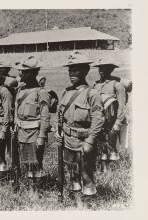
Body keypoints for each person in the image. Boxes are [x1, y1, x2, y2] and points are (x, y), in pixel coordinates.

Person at [56, 51, 104, 204]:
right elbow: (60, 116)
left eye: (76, 70)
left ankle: (89, 204)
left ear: (85, 71)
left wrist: (90, 141)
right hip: (68, 140)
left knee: (86, 174)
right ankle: (77, 202)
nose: (72, 73)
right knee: (72, 172)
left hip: (84, 141)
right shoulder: (66, 92)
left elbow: (98, 119)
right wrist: (59, 133)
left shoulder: (92, 94)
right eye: (70, 70)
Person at [14, 56, 51, 191]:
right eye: (21, 71)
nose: (21, 74)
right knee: (27, 163)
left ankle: (37, 191)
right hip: (22, 133)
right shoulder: (20, 90)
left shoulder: (41, 93)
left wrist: (41, 137)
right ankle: (31, 189)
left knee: (36, 163)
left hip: (35, 134)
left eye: (25, 72)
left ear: (33, 73)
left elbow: (45, 117)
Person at [92, 58, 127, 172]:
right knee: (102, 145)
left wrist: (118, 123)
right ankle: (103, 170)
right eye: (100, 68)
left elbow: (122, 106)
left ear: (111, 69)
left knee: (112, 146)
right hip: (99, 121)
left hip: (112, 122)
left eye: (105, 68)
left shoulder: (117, 85)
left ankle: (113, 173)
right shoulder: (95, 85)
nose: (101, 70)